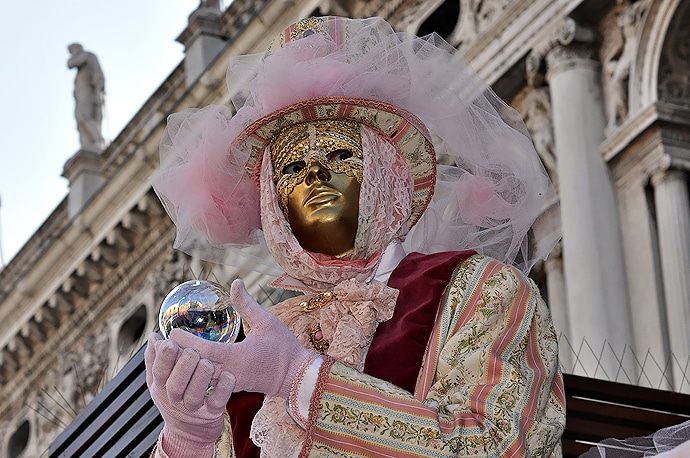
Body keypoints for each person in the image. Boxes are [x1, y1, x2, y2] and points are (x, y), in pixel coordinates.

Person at [145, 16, 565, 458]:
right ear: (273, 204)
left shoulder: (479, 291)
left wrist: (300, 377)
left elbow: (499, 445)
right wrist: (188, 441)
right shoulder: (254, 350)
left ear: (385, 172)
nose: (314, 174)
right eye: (290, 168)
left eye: (340, 153)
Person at [67, 43, 105, 151]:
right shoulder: (81, 68)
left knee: (85, 116)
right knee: (80, 118)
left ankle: (98, 140)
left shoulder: (87, 56)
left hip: (89, 93)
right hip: (81, 95)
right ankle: (87, 145)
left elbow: (71, 63)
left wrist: (99, 89)